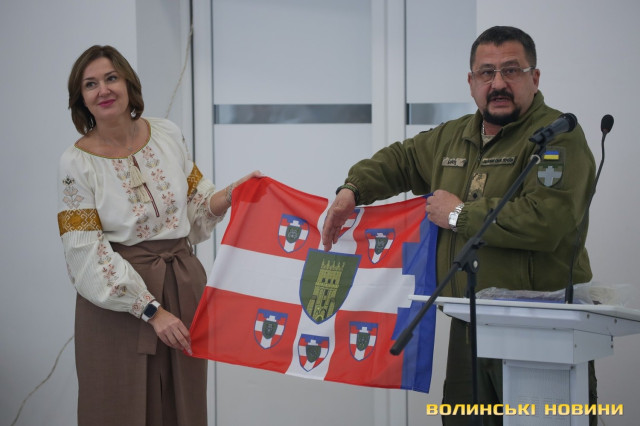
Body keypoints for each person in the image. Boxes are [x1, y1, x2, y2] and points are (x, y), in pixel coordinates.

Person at [321, 26, 597, 426]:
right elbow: (400, 160)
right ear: (471, 82)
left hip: (541, 325)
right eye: (486, 73)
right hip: (468, 322)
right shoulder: (454, 137)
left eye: (511, 71)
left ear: (534, 78)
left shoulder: (558, 137)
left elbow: (546, 220)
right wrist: (353, 189)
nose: (498, 84)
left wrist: (459, 215)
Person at [57, 45, 260, 426]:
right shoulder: (76, 162)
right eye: (90, 84)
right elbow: (83, 253)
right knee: (119, 405)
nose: (103, 90)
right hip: (117, 301)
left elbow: (196, 205)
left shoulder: (167, 133)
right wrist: (150, 310)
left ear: (128, 83)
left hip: (181, 285)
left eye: (111, 78)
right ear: (80, 98)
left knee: (183, 403)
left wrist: (234, 192)